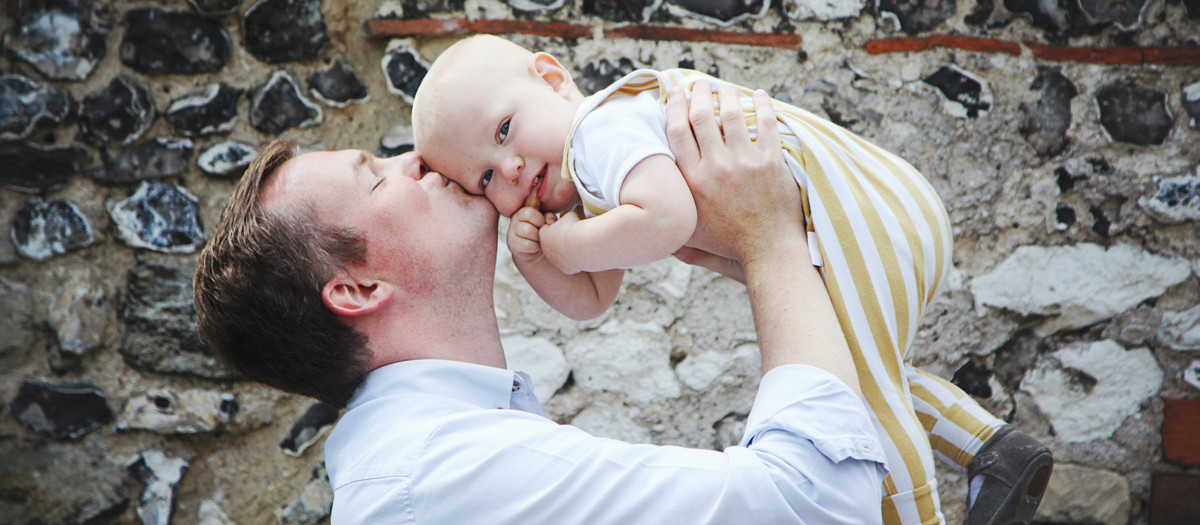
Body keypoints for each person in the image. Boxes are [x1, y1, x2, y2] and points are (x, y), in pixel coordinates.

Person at [411, 35, 1052, 525]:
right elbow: (595, 299)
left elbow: (667, 218)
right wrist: (540, 261)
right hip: (873, 210)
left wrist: (569, 245)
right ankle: (995, 449)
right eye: (486, 179)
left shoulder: (597, 130)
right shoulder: (590, 184)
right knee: (859, 376)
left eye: (503, 131)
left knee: (869, 409)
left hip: (852, 214)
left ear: (551, 78)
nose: (513, 168)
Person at [193, 82, 888, 523]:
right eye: (374, 177)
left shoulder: (447, 448)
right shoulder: (439, 473)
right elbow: (819, 502)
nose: (414, 162)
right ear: (357, 289)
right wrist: (770, 239)